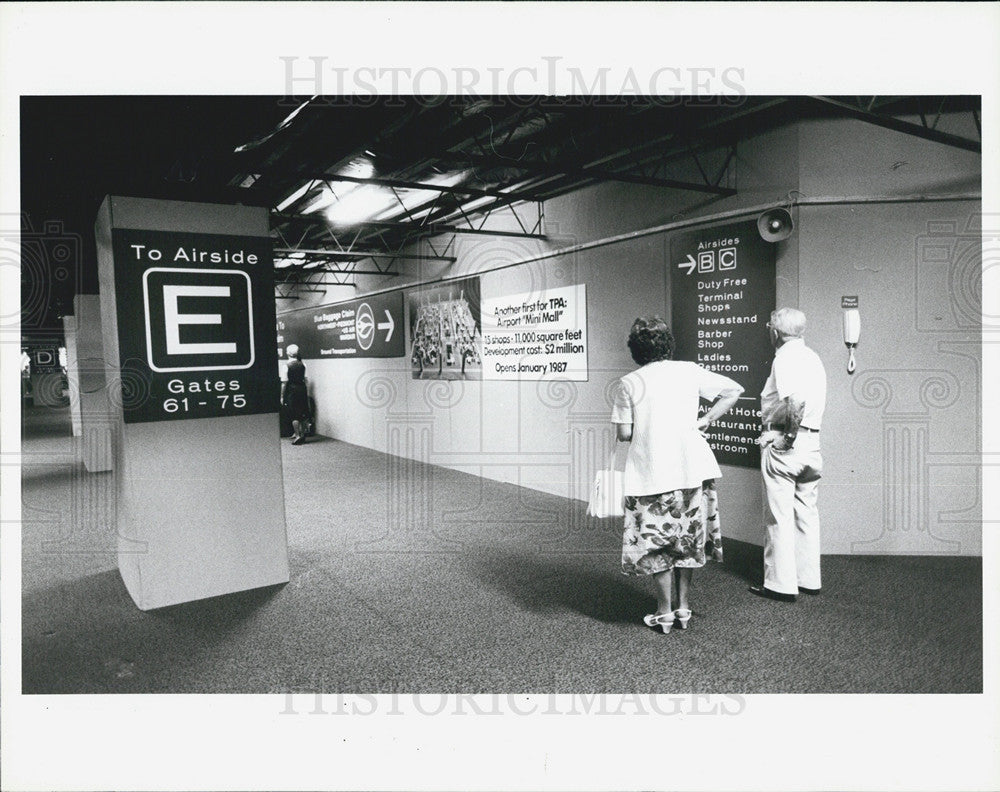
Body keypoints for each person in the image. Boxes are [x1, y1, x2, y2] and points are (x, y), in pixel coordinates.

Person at [612, 317, 744, 634]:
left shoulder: (628, 383)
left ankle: (664, 612)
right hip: (692, 469)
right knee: (687, 540)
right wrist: (706, 418)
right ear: (667, 345)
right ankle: (684, 606)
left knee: (658, 544)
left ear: (635, 350)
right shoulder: (688, 370)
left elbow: (625, 434)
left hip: (651, 473)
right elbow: (733, 390)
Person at [750, 307, 827, 603]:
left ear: (776, 331)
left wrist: (787, 437)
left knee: (778, 516)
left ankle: (779, 585)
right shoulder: (812, 357)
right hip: (812, 444)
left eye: (769, 326)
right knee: (806, 512)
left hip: (788, 442)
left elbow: (794, 401)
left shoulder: (785, 358)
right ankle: (808, 578)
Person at [282, 344, 311, 445]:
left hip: (292, 390)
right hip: (302, 389)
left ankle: (297, 435)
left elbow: (284, 383)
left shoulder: (286, 366)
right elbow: (306, 379)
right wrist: (307, 392)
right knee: (302, 412)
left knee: (294, 414)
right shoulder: (303, 365)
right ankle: (302, 434)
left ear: (288, 353)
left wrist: (281, 396)